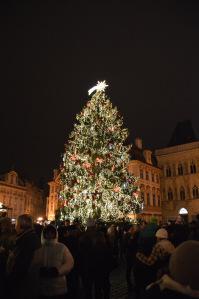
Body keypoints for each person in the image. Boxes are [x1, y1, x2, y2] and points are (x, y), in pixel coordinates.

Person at [31, 224, 74, 299]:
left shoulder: (62, 247)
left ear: (55, 234)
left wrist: (58, 271)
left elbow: (69, 263)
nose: (49, 235)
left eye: (51, 233)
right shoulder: (39, 248)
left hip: (58, 287)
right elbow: (33, 263)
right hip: (43, 286)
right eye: (47, 233)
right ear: (44, 234)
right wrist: (39, 270)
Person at [6, 214, 40, 299]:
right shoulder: (27, 236)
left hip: (22, 280)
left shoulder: (27, 238)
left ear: (22, 224)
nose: (15, 226)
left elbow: (24, 261)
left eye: (17, 224)